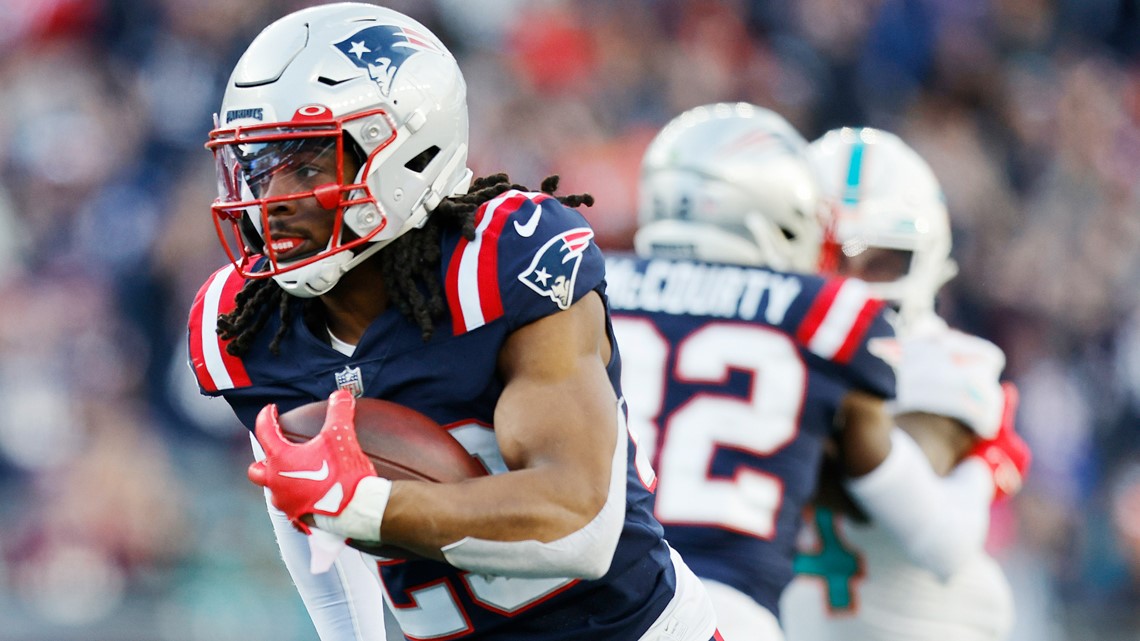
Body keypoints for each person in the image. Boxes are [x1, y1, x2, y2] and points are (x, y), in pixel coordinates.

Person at [186, 4, 719, 640]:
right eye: (255, 167)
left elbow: (582, 526)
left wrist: (373, 506)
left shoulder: (504, 261)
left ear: (406, 154)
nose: (269, 203)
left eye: (305, 166)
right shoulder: (247, 325)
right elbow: (306, 511)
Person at [606, 102, 947, 641]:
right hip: (723, 611)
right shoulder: (825, 314)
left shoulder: (592, 284)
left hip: (590, 602)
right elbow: (935, 533)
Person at [779, 126, 1032, 641]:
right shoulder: (753, 348)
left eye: (880, 261)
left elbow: (924, 524)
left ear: (929, 256)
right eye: (824, 258)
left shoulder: (948, 361)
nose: (847, 284)